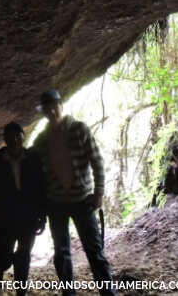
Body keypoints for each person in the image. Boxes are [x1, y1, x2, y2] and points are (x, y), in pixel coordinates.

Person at [32, 89, 115, 296]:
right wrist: (1, 155)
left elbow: (97, 161)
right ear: (43, 113)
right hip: (55, 202)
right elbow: (27, 160)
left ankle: (108, 293)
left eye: (55, 107)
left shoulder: (79, 130)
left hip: (82, 200)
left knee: (95, 251)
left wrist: (99, 192)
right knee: (62, 253)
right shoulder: (42, 140)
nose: (52, 112)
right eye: (47, 109)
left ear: (61, 106)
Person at [0, 122, 46, 296]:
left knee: (24, 257)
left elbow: (41, 188)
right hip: (6, 220)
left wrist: (42, 217)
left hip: (29, 219)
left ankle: (21, 293)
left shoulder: (33, 159)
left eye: (17, 135)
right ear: (4, 139)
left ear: (23, 137)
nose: (14, 139)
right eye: (9, 136)